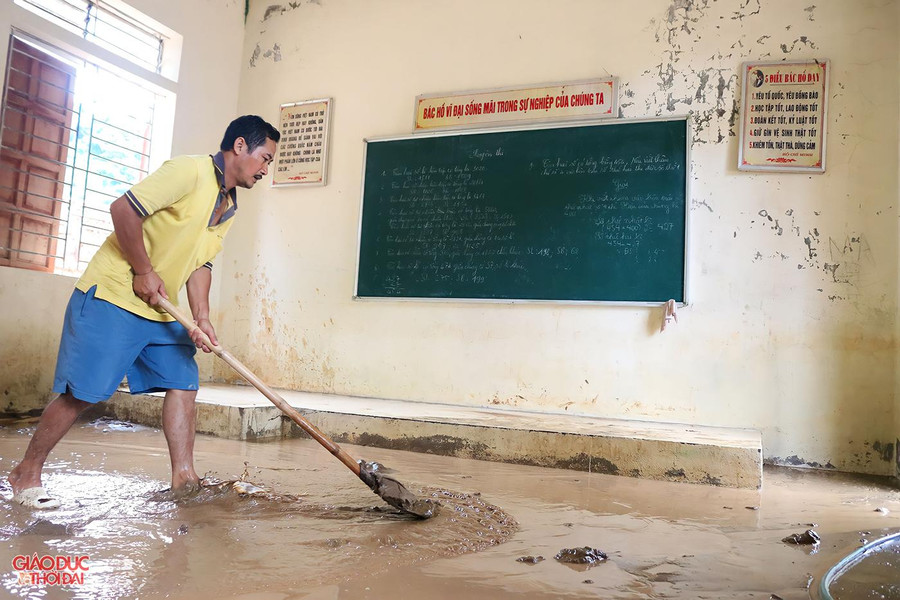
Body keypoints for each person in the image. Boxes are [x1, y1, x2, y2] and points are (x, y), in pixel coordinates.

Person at [8, 115, 280, 509]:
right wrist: (143, 270)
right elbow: (123, 209)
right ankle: (27, 472)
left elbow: (200, 264)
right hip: (114, 295)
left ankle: (184, 478)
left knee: (183, 381)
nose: (266, 169)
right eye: (265, 158)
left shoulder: (228, 206)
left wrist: (202, 317)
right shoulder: (189, 171)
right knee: (82, 393)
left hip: (160, 308)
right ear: (240, 146)